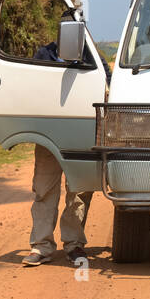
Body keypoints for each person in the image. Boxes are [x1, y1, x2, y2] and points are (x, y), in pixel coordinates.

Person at [23, 39, 94, 266]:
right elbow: (30, 88)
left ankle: (74, 245)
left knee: (80, 192)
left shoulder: (90, 56)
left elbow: (107, 82)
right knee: (44, 190)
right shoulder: (43, 55)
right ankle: (41, 247)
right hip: (48, 136)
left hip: (80, 135)